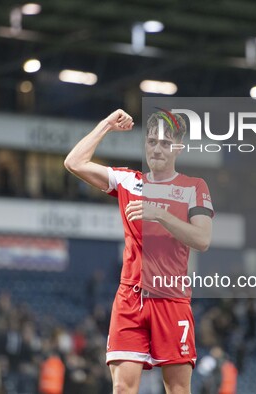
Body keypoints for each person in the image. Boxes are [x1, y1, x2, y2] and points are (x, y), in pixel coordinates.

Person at [64, 109, 214, 394]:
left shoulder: (193, 187)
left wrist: (159, 213)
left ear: (178, 148)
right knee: (122, 389)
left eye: (166, 143)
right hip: (130, 298)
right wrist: (106, 125)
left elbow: (202, 239)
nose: (157, 148)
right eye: (152, 142)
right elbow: (74, 162)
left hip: (171, 298)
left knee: (178, 389)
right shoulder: (127, 181)